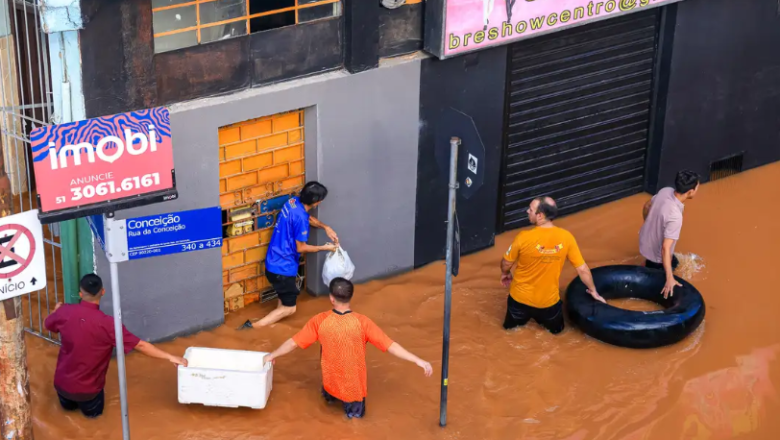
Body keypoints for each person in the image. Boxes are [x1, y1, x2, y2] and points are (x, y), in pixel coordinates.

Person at [261, 278, 433, 419]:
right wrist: (418, 360)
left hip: (330, 383)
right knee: (354, 425)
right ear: (350, 297)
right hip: (353, 390)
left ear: (331, 298)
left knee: (326, 409)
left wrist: (271, 355)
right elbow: (390, 346)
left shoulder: (320, 321)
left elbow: (293, 343)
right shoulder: (363, 323)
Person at [44, 274, 186, 419]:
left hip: (62, 386)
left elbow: (48, 324)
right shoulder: (109, 325)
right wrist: (171, 357)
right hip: (89, 392)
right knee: (94, 422)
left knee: (66, 417)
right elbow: (141, 345)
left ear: (81, 294)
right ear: (103, 292)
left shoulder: (64, 312)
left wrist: (56, 310)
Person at [240, 181, 339, 330]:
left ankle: (272, 325)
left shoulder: (292, 202)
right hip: (283, 269)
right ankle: (252, 327)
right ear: (316, 202)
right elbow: (301, 247)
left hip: (273, 262)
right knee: (290, 309)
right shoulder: (301, 220)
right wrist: (324, 248)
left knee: (283, 301)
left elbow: (307, 218)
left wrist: (326, 227)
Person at [500, 196, 605, 334]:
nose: (527, 211)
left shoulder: (523, 237)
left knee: (509, 333)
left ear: (540, 215)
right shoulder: (566, 238)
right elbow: (582, 269)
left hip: (519, 301)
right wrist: (593, 291)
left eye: (530, 210)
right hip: (548, 305)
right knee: (557, 335)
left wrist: (505, 273)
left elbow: (507, 262)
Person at [639, 170, 700, 298]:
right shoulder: (675, 216)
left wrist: (648, 224)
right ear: (690, 192)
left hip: (644, 240)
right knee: (663, 279)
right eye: (697, 187)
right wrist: (670, 278)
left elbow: (647, 206)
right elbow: (665, 248)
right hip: (655, 255)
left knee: (675, 263)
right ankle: (647, 269)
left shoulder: (665, 191)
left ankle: (648, 265)